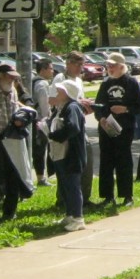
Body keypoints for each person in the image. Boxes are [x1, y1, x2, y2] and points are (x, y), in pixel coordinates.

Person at [93, 52, 140, 207]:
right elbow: (98, 106)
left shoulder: (131, 82)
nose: (109, 68)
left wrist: (125, 109)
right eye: (108, 65)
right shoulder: (106, 83)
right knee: (106, 161)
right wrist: (101, 118)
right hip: (106, 128)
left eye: (112, 65)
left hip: (125, 128)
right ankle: (108, 196)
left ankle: (127, 195)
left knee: (124, 161)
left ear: (121, 66)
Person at [0, 63, 34, 221]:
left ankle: (10, 211)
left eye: (14, 77)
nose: (13, 79)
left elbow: (17, 107)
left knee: (14, 175)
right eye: (10, 76)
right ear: (0, 76)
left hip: (12, 138)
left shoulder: (13, 89)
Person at [50, 52, 95, 202]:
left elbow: (78, 100)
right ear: (68, 63)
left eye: (81, 65)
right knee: (66, 163)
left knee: (85, 161)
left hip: (78, 122)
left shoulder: (79, 80)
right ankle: (63, 199)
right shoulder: (60, 79)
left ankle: (83, 198)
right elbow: (51, 100)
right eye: (76, 64)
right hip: (65, 124)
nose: (79, 68)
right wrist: (74, 102)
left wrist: (85, 104)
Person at [50, 79, 88, 231]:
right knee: (65, 184)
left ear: (67, 93)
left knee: (72, 185)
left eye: (60, 91)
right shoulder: (62, 107)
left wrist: (55, 135)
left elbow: (72, 127)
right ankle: (70, 214)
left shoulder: (72, 107)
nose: (57, 94)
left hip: (71, 153)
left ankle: (78, 218)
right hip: (62, 153)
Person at [31, 59, 55, 187]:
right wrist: (47, 119)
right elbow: (44, 105)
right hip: (39, 121)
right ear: (43, 69)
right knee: (40, 150)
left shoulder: (33, 81)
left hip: (32, 121)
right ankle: (41, 178)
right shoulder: (42, 84)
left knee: (36, 150)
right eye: (51, 68)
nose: (52, 71)